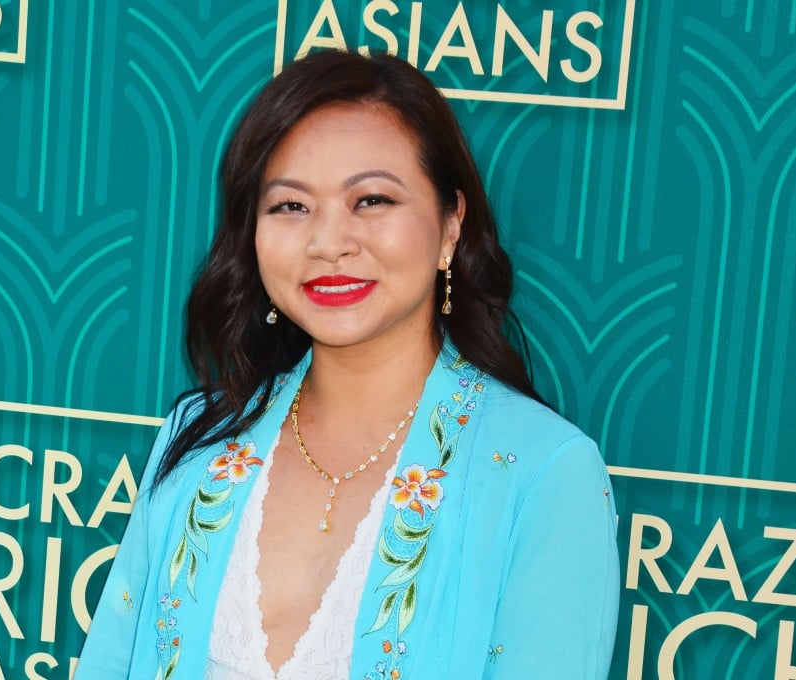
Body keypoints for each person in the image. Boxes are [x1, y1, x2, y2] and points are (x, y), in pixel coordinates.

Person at [76, 50, 619, 679]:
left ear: (450, 225)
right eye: (291, 207)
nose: (329, 242)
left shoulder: (541, 473)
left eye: (371, 201)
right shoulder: (200, 435)